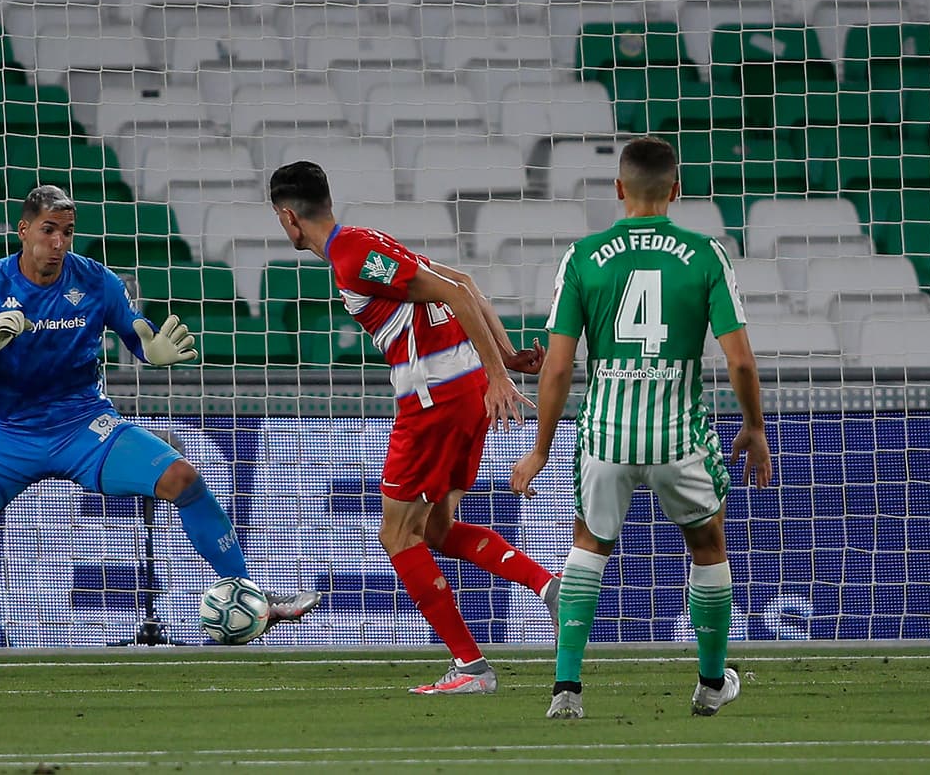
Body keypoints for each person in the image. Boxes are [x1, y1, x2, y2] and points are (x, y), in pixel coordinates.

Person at [0, 185, 320, 674]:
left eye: (67, 232)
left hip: (85, 425)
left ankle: (254, 595)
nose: (59, 242)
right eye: (49, 230)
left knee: (182, 479)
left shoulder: (97, 281)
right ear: (24, 231)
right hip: (9, 434)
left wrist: (153, 352)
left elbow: (138, 334)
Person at [269, 161, 561, 695]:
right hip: (463, 391)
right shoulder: (364, 241)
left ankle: (471, 667)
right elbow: (465, 282)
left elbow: (456, 295)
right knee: (435, 531)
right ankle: (547, 587)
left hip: (435, 401)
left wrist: (501, 373)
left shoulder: (351, 257)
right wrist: (505, 357)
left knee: (395, 533)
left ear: (288, 217)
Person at [510, 137, 773, 719]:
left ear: (619, 189)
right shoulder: (706, 255)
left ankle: (567, 690)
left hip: (606, 433)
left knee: (587, 548)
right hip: (679, 433)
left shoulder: (582, 257)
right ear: (676, 190)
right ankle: (710, 683)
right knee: (707, 545)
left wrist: (538, 450)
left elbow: (557, 365)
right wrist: (754, 427)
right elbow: (742, 362)